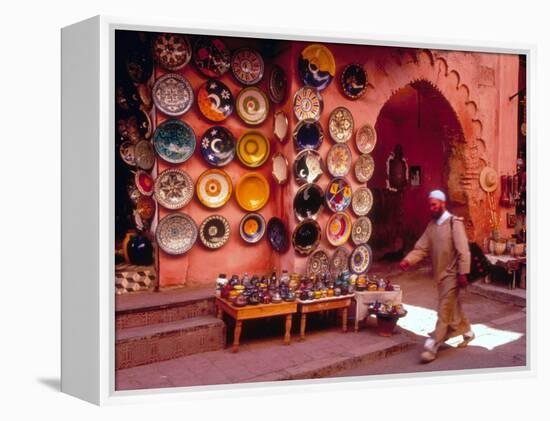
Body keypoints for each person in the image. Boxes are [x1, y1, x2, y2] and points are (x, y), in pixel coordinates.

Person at [399, 190, 475, 363]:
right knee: (452, 307)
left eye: (434, 204)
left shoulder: (454, 223)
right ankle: (468, 332)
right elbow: (421, 248)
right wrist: (408, 261)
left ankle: (432, 345)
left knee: (444, 310)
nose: (431, 208)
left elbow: (463, 250)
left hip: (453, 275)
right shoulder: (432, 226)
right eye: (430, 205)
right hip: (440, 276)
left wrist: (463, 273)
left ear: (442, 203)